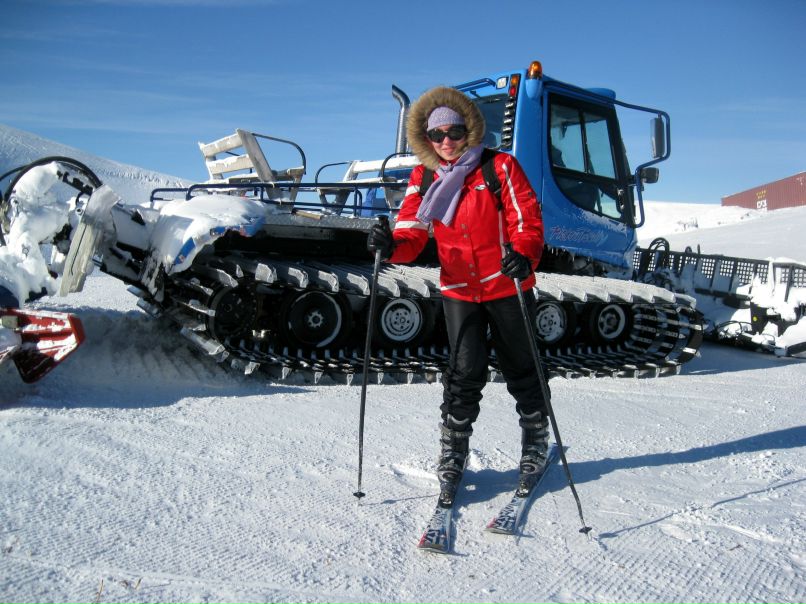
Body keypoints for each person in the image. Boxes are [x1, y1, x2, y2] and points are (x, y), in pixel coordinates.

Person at [367, 85, 551, 503]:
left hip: (508, 285)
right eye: (437, 135)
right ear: (427, 139)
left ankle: (536, 441)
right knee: (463, 373)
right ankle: (453, 452)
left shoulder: (499, 166)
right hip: (460, 290)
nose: (447, 141)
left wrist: (524, 254)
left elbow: (527, 219)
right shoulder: (425, 176)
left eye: (455, 131)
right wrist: (389, 245)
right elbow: (412, 233)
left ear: (469, 130)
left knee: (522, 368)